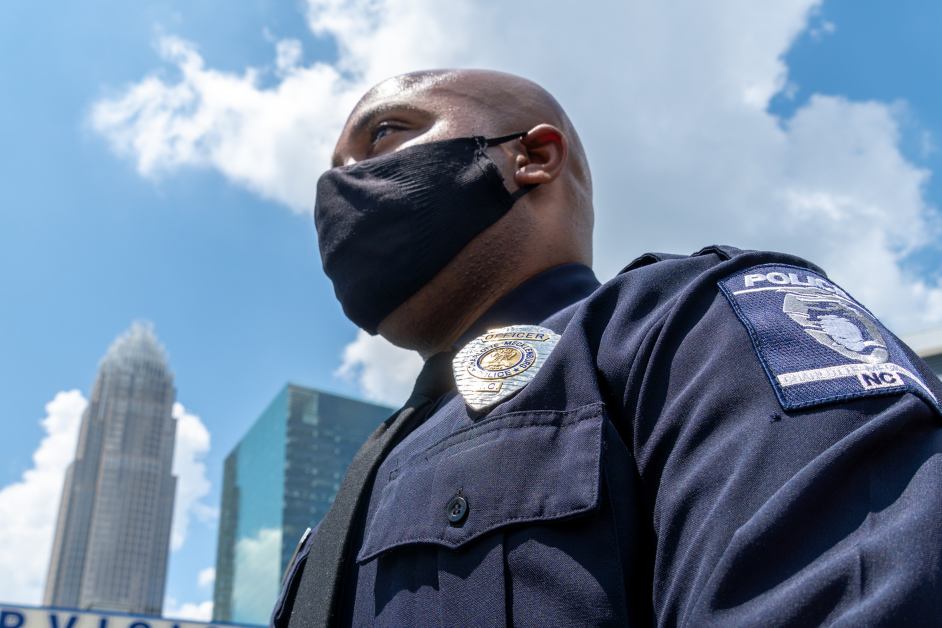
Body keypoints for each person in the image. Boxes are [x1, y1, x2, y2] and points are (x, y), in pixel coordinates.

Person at [272, 69, 942, 627]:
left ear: (530, 157)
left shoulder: (693, 325)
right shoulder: (364, 481)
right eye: (336, 169)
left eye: (384, 134)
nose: (341, 185)